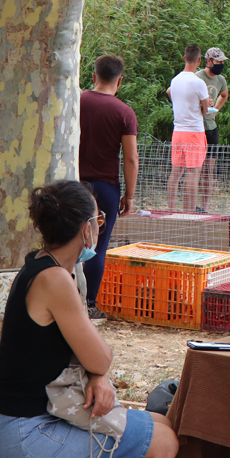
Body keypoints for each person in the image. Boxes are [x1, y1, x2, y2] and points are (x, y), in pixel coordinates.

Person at [0, 180, 178, 458]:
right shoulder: (55, 280)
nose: (100, 226)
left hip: (27, 420)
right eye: (99, 219)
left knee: (161, 422)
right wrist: (99, 371)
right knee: (164, 443)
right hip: (24, 433)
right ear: (87, 229)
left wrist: (98, 375)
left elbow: (85, 354)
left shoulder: (47, 266)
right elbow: (99, 358)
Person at [78, 55, 139, 325]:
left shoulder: (77, 101)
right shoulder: (124, 112)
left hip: (73, 183)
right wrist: (130, 195)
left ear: (94, 76)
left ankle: (64, 301)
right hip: (106, 187)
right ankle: (89, 305)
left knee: (65, 242)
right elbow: (131, 158)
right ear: (120, 81)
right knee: (96, 246)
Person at [166, 45, 210, 212]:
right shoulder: (199, 82)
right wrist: (206, 105)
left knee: (176, 172)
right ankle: (189, 211)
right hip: (194, 132)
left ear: (185, 58)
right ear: (199, 60)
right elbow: (206, 110)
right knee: (193, 172)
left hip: (178, 131)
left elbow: (172, 96)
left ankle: (171, 210)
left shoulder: (175, 80)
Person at [195, 48, 229, 213]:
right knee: (195, 169)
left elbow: (224, 95)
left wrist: (216, 110)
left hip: (211, 128)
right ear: (208, 61)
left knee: (209, 169)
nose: (221, 64)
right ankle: (191, 205)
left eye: (222, 61)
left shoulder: (221, 80)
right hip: (196, 127)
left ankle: (205, 207)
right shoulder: (197, 77)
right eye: (218, 61)